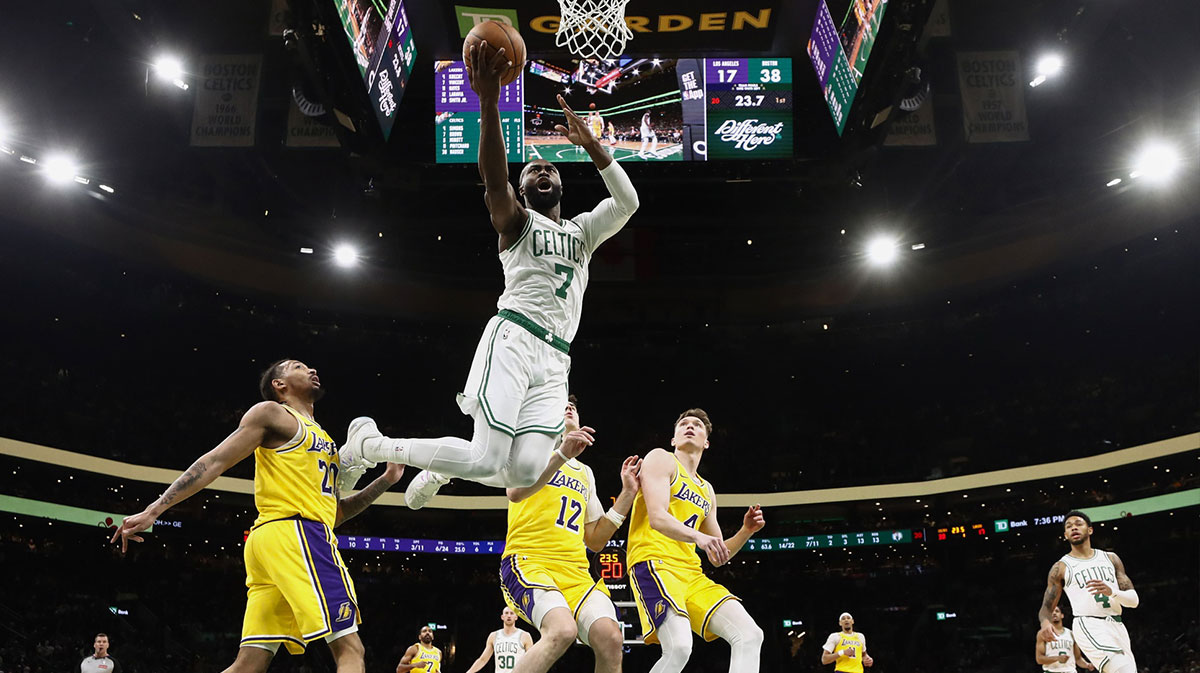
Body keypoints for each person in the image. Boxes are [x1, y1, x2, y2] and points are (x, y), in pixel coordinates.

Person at [337, 40, 640, 510]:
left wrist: (595, 146)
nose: (542, 171)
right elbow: (494, 179)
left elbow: (628, 204)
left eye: (549, 168)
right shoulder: (517, 223)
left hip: (558, 359)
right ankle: (369, 446)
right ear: (522, 190)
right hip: (515, 337)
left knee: (522, 472)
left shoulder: (583, 230)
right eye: (532, 171)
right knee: (483, 458)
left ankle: (439, 465)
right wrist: (489, 102)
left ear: (561, 183)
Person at [110, 359, 405, 673]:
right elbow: (215, 461)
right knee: (350, 649)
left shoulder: (322, 437)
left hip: (275, 542)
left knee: (247, 665)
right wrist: (156, 509)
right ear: (279, 385)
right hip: (296, 534)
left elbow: (335, 513)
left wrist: (386, 481)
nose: (311, 370)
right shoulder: (273, 413)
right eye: (298, 367)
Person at [498, 395, 640, 673]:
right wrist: (561, 454)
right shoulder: (529, 449)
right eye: (560, 403)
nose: (569, 406)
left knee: (611, 638)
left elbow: (596, 540)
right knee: (562, 630)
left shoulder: (585, 473)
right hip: (529, 562)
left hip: (576, 574)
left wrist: (627, 494)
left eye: (573, 405)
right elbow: (515, 493)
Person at [627, 409, 766, 673]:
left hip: (691, 574)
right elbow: (657, 518)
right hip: (654, 563)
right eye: (683, 424)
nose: (690, 426)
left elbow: (719, 554)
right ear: (673, 438)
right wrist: (698, 536)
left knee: (750, 635)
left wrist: (746, 530)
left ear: (706, 442)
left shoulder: (706, 489)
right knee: (679, 647)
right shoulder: (661, 459)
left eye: (697, 425)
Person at [1036, 510, 1139, 673]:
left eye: (1078, 524)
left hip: (1117, 625)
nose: (1073, 528)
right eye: (1069, 526)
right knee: (1123, 669)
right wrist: (1045, 623)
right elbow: (1046, 607)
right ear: (1065, 535)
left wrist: (1112, 592)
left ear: (1090, 530)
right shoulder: (1061, 567)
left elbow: (1133, 601)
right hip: (1088, 624)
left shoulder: (1111, 558)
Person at [463, 607, 533, 673]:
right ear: (502, 617)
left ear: (516, 617)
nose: (509, 616)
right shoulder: (494, 636)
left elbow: (532, 660)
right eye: (506, 613)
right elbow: (483, 659)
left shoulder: (524, 636)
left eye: (511, 613)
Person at [1035, 606, 1094, 672]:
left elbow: (1078, 658)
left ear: (1062, 615)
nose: (1054, 613)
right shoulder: (1043, 633)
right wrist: (1057, 658)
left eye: (1057, 611)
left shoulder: (1071, 634)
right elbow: (1039, 659)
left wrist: (1087, 665)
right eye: (1052, 612)